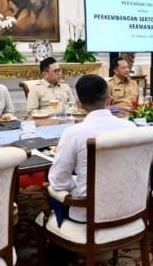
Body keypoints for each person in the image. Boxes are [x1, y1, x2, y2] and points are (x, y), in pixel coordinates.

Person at [48, 74, 135, 223]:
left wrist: (76, 182)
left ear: (79, 104)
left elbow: (58, 182)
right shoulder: (130, 127)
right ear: (109, 99)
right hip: (129, 205)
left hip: (88, 212)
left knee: (53, 192)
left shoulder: (73, 133)